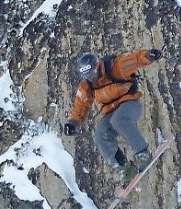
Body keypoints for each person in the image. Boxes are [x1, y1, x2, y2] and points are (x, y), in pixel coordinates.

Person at [64, 48, 163, 183]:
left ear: (98, 66)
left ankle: (142, 153)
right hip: (110, 111)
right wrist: (73, 122)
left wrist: (148, 56)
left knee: (119, 120)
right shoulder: (87, 84)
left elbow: (135, 60)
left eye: (92, 74)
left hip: (129, 103)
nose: (91, 78)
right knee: (100, 134)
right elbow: (81, 104)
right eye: (87, 76)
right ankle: (123, 167)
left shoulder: (115, 67)